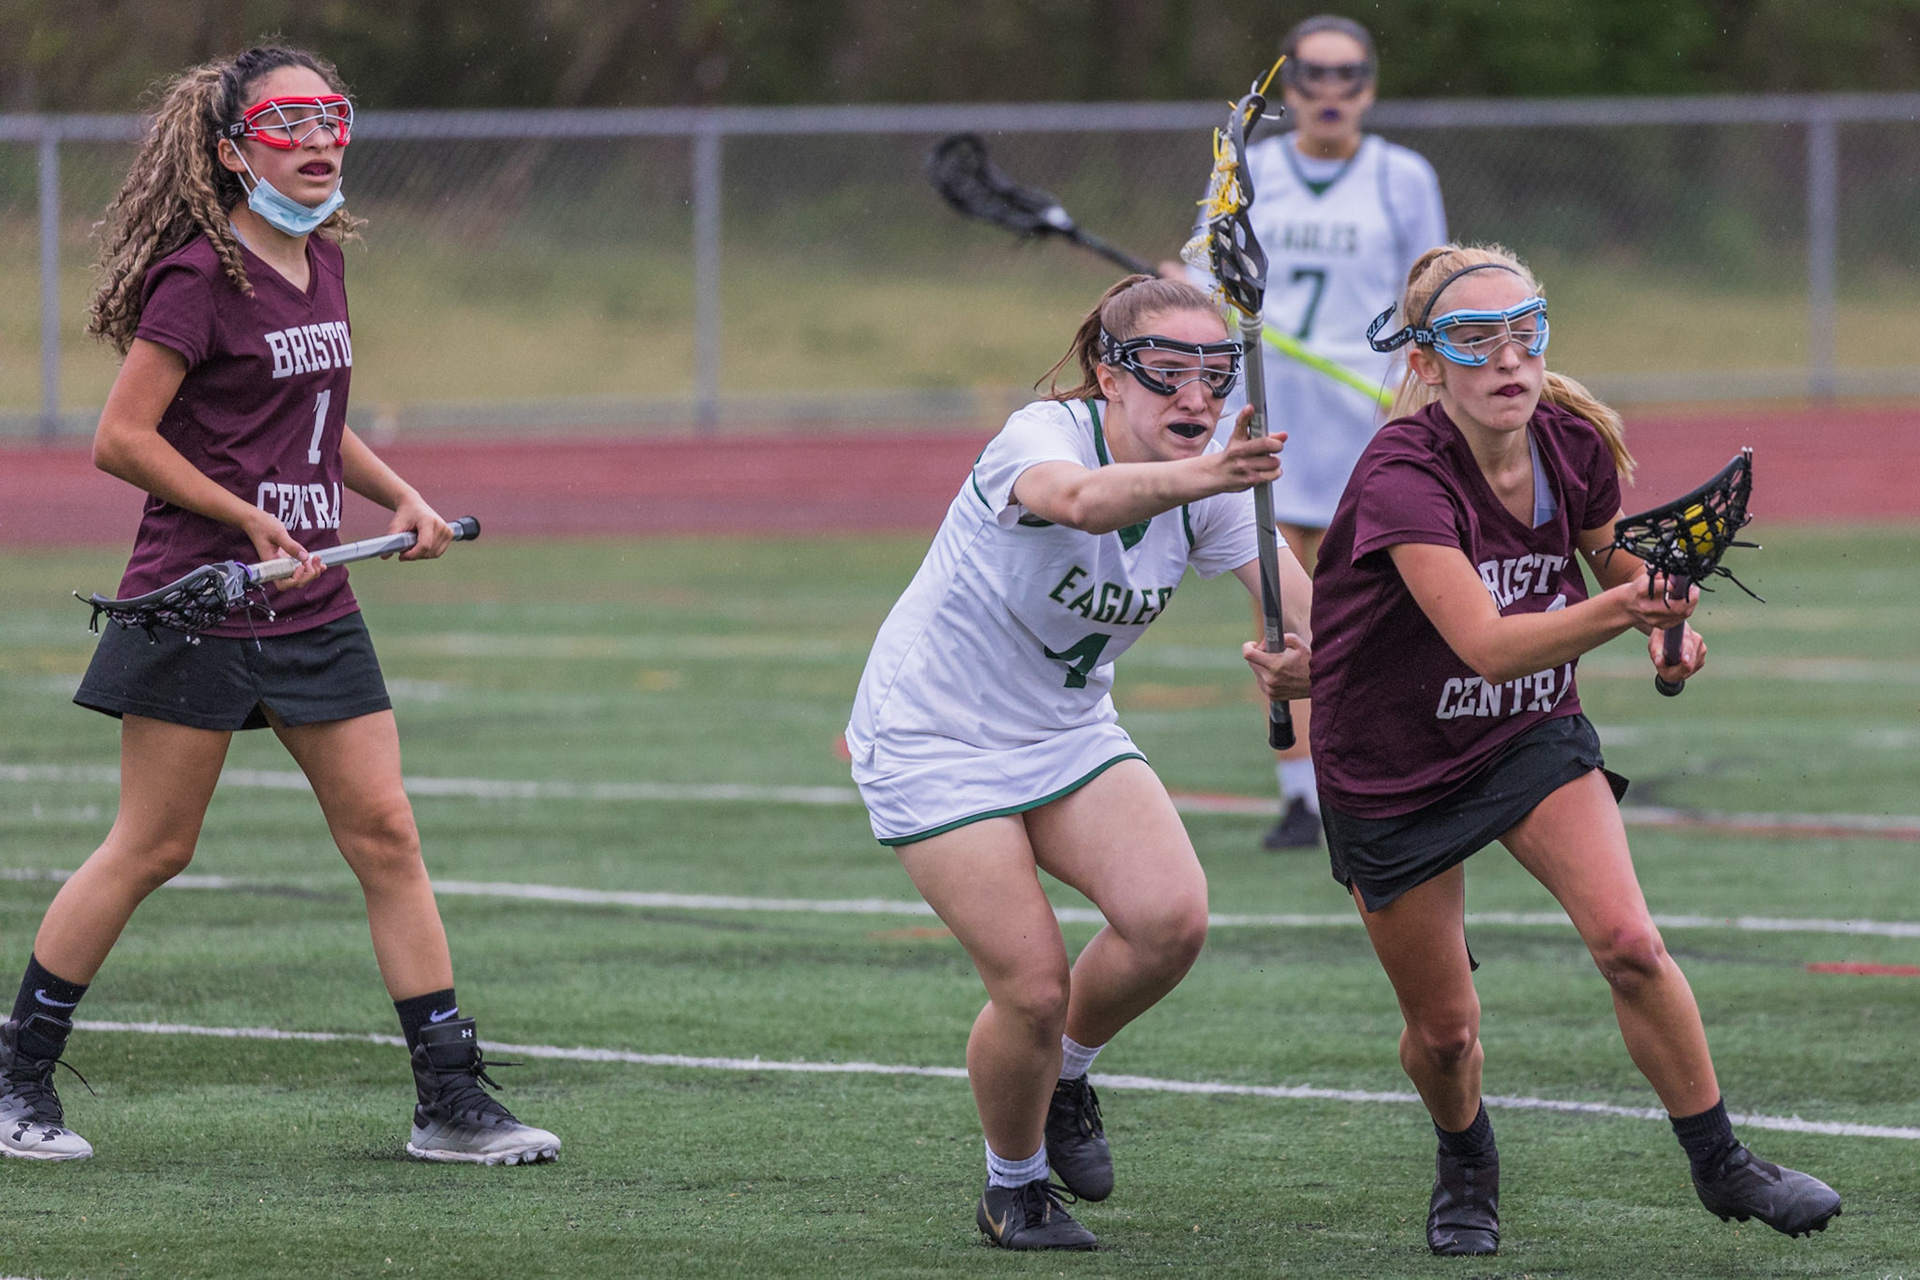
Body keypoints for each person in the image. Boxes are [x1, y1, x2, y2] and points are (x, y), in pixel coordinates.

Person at [0, 46, 559, 1167]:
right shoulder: (197, 277)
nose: (316, 141)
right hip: (200, 597)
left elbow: (312, 414)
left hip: (313, 602)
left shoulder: (323, 261)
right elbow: (121, 438)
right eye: (287, 123)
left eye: (330, 118)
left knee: (387, 834)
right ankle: (16, 1076)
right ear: (230, 151)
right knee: (154, 845)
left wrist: (400, 495)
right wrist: (246, 518)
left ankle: (449, 1101)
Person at [1310, 243, 1841, 1255]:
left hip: (1527, 728)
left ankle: (1723, 1162)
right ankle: (1467, 1157)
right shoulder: (1401, 473)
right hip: (1392, 759)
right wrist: (1625, 609)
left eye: (1526, 331)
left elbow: (1614, 562)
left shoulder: (1570, 441)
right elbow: (1486, 643)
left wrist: (1663, 620)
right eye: (1475, 339)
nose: (1508, 357)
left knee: (1630, 942)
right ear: (1426, 362)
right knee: (1446, 1034)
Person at [845, 275, 1311, 1250]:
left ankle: (1065, 1073)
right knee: (1032, 985)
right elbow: (1081, 502)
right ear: (1108, 375)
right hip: (934, 734)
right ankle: (1013, 1188)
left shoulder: (1210, 485)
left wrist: (1316, 661)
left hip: (1065, 728)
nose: (1196, 396)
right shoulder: (1042, 438)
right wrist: (1211, 476)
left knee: (1170, 921)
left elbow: (1311, 614)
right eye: (1167, 371)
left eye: (1215, 373)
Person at [1205, 14, 1447, 850]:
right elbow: (1211, 271)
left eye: (1349, 75)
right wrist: (1189, 279)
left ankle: (1404, 766)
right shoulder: (1252, 167)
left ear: (1369, 87)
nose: (1331, 92)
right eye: (1313, 75)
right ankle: (1303, 796)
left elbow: (1430, 291)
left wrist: (1419, 389)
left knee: (1384, 597)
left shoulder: (1401, 176)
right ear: (1291, 87)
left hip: (1366, 414)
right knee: (1279, 604)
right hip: (1272, 406)